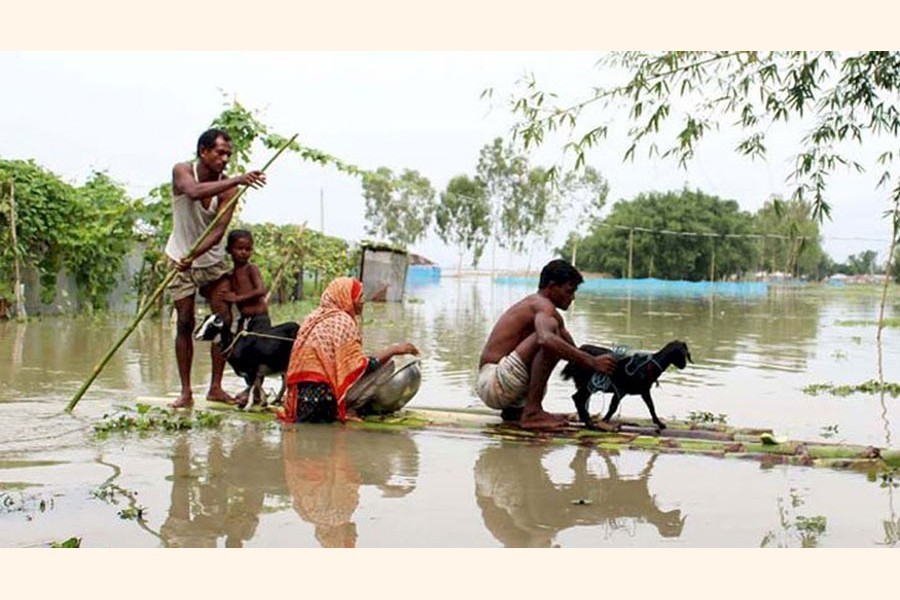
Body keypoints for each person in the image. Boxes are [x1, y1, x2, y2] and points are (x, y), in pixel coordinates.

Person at [165, 128, 267, 408]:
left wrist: (195, 253)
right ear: (203, 152)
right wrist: (239, 178)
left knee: (223, 322)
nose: (224, 159)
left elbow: (219, 231)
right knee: (185, 323)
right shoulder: (182, 171)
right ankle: (186, 392)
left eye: (228, 155)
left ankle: (215, 387)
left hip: (209, 261)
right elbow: (195, 192)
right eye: (220, 153)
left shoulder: (229, 190)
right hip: (179, 260)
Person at [477, 259, 617, 430]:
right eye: (569, 291)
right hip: (493, 383)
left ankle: (519, 411)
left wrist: (607, 361)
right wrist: (592, 362)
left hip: (504, 387)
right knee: (551, 339)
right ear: (552, 287)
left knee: (559, 341)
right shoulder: (542, 306)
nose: (572, 298)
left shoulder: (550, 316)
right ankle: (532, 413)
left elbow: (574, 352)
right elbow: (545, 340)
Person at [280, 277, 419, 424]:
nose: (363, 300)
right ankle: (348, 408)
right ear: (346, 298)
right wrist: (395, 350)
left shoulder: (312, 318)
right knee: (387, 366)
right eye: (359, 296)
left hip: (301, 403)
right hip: (325, 404)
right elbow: (363, 366)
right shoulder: (343, 321)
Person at [219, 229, 270, 333]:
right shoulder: (231, 275)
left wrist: (238, 298)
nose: (244, 252)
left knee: (259, 346)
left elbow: (261, 290)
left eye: (248, 249)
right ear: (229, 250)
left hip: (259, 318)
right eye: (240, 248)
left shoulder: (251, 269)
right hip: (244, 319)